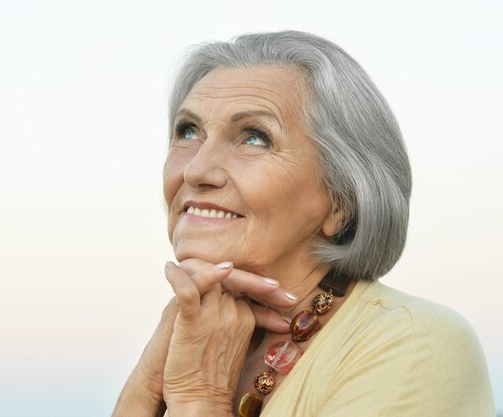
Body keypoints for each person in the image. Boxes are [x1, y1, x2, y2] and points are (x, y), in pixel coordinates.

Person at [112, 31, 495, 417]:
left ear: (341, 201)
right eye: (188, 132)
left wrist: (200, 398)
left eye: (254, 138)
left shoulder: (416, 344)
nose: (196, 170)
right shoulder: (193, 336)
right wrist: (146, 382)